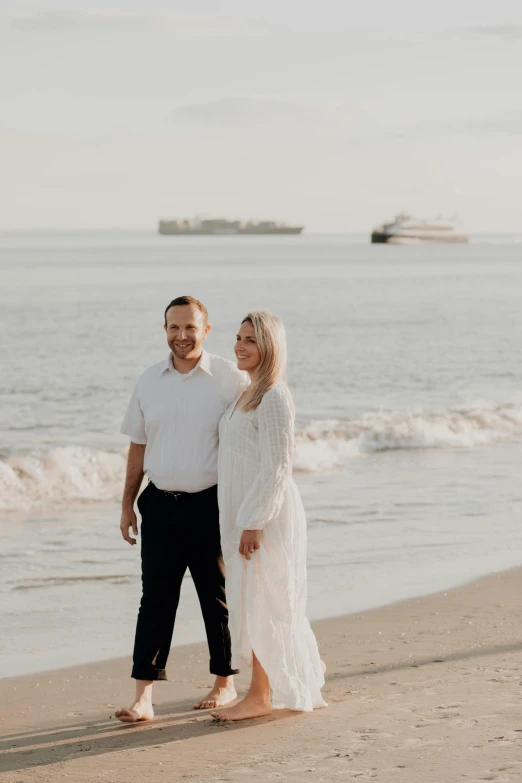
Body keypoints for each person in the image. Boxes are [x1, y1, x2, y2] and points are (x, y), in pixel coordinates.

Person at [115, 296, 248, 723]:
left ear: (206, 330)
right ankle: (144, 697)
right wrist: (127, 505)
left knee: (218, 598)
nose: (181, 336)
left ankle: (225, 684)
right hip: (158, 505)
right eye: (173, 327)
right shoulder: (149, 381)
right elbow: (137, 445)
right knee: (154, 599)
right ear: (164, 330)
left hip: (211, 505)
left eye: (190, 327)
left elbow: (255, 434)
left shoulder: (230, 377)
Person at [211, 312, 327, 721]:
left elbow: (279, 465)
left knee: (263, 598)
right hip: (243, 511)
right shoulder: (249, 391)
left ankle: (259, 697)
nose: (240, 346)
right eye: (239, 338)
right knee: (251, 597)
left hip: (264, 515)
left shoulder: (275, 395)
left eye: (251, 340)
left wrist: (254, 521)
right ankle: (260, 691)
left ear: (270, 347)